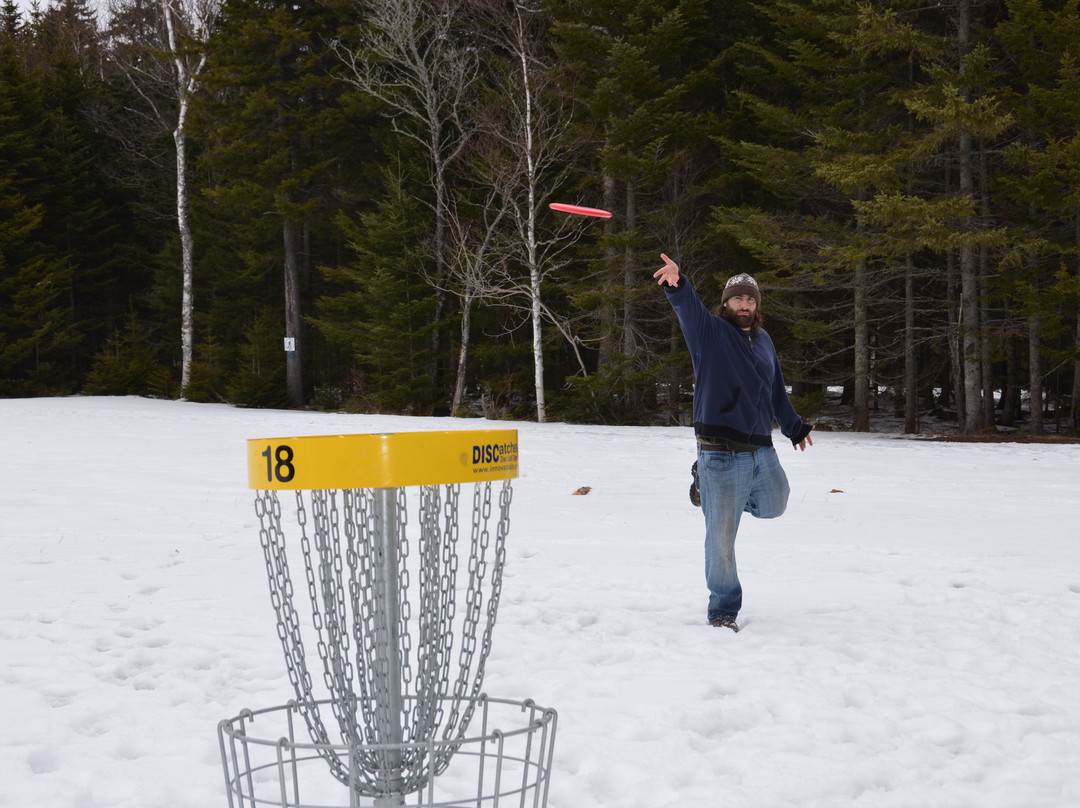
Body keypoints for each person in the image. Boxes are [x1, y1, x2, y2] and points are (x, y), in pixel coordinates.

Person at [653, 253, 813, 632]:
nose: (745, 305)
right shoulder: (710, 333)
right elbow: (687, 309)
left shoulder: (763, 340)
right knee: (721, 539)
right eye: (738, 299)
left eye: (751, 299)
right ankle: (723, 610)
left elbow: (775, 389)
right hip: (720, 451)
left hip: (761, 448)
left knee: (777, 503)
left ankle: (709, 493)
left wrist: (794, 427)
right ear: (725, 304)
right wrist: (677, 285)